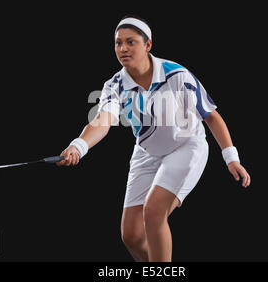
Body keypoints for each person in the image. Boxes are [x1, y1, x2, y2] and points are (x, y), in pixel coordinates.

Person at [57, 15, 251, 262]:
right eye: (118, 43)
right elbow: (102, 121)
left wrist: (231, 158)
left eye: (131, 42)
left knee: (154, 212)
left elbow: (211, 117)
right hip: (147, 153)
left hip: (186, 146)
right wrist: (78, 145)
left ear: (148, 45)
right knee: (132, 236)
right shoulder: (114, 85)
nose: (123, 48)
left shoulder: (177, 75)